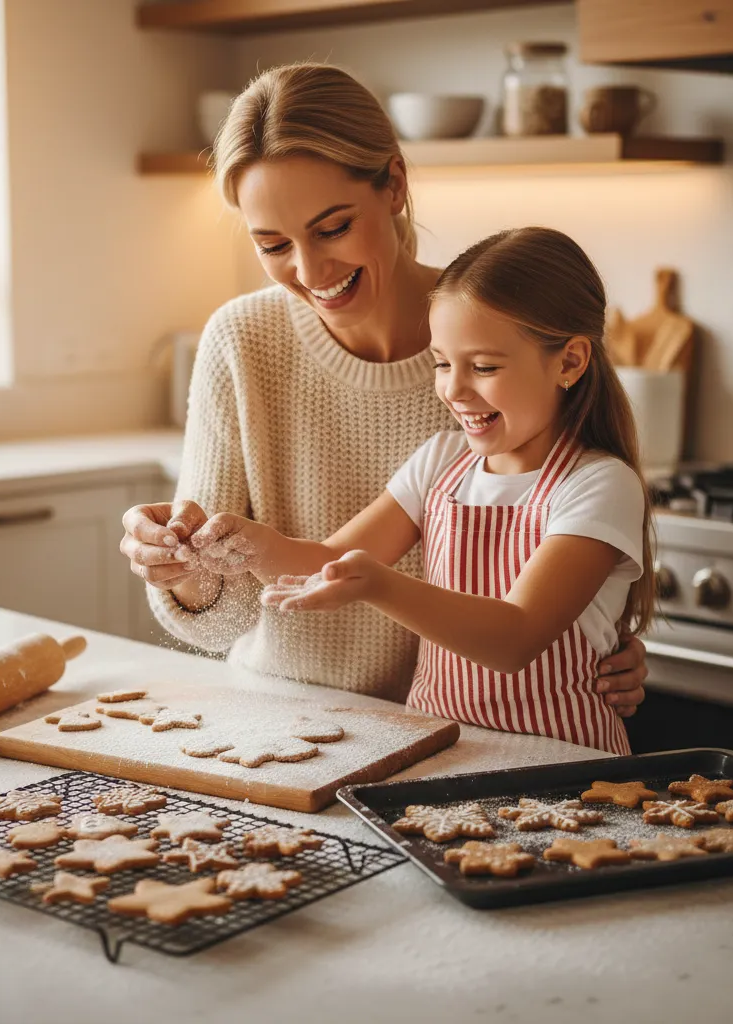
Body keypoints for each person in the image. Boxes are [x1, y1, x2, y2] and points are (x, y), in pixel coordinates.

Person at [119, 63, 647, 717]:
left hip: (452, 734)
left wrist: (598, 640)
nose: (310, 271)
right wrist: (188, 565)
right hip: (288, 715)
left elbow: (568, 583)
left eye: (332, 228)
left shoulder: (498, 337)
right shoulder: (241, 341)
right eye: (273, 243)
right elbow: (234, 611)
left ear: (394, 184)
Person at [188, 227, 653, 755]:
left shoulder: (598, 484)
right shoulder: (440, 461)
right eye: (442, 362)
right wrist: (241, 541)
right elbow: (327, 562)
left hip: (561, 766)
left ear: (569, 362)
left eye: (483, 367)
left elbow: (513, 638)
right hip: (438, 753)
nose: (454, 390)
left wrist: (379, 585)